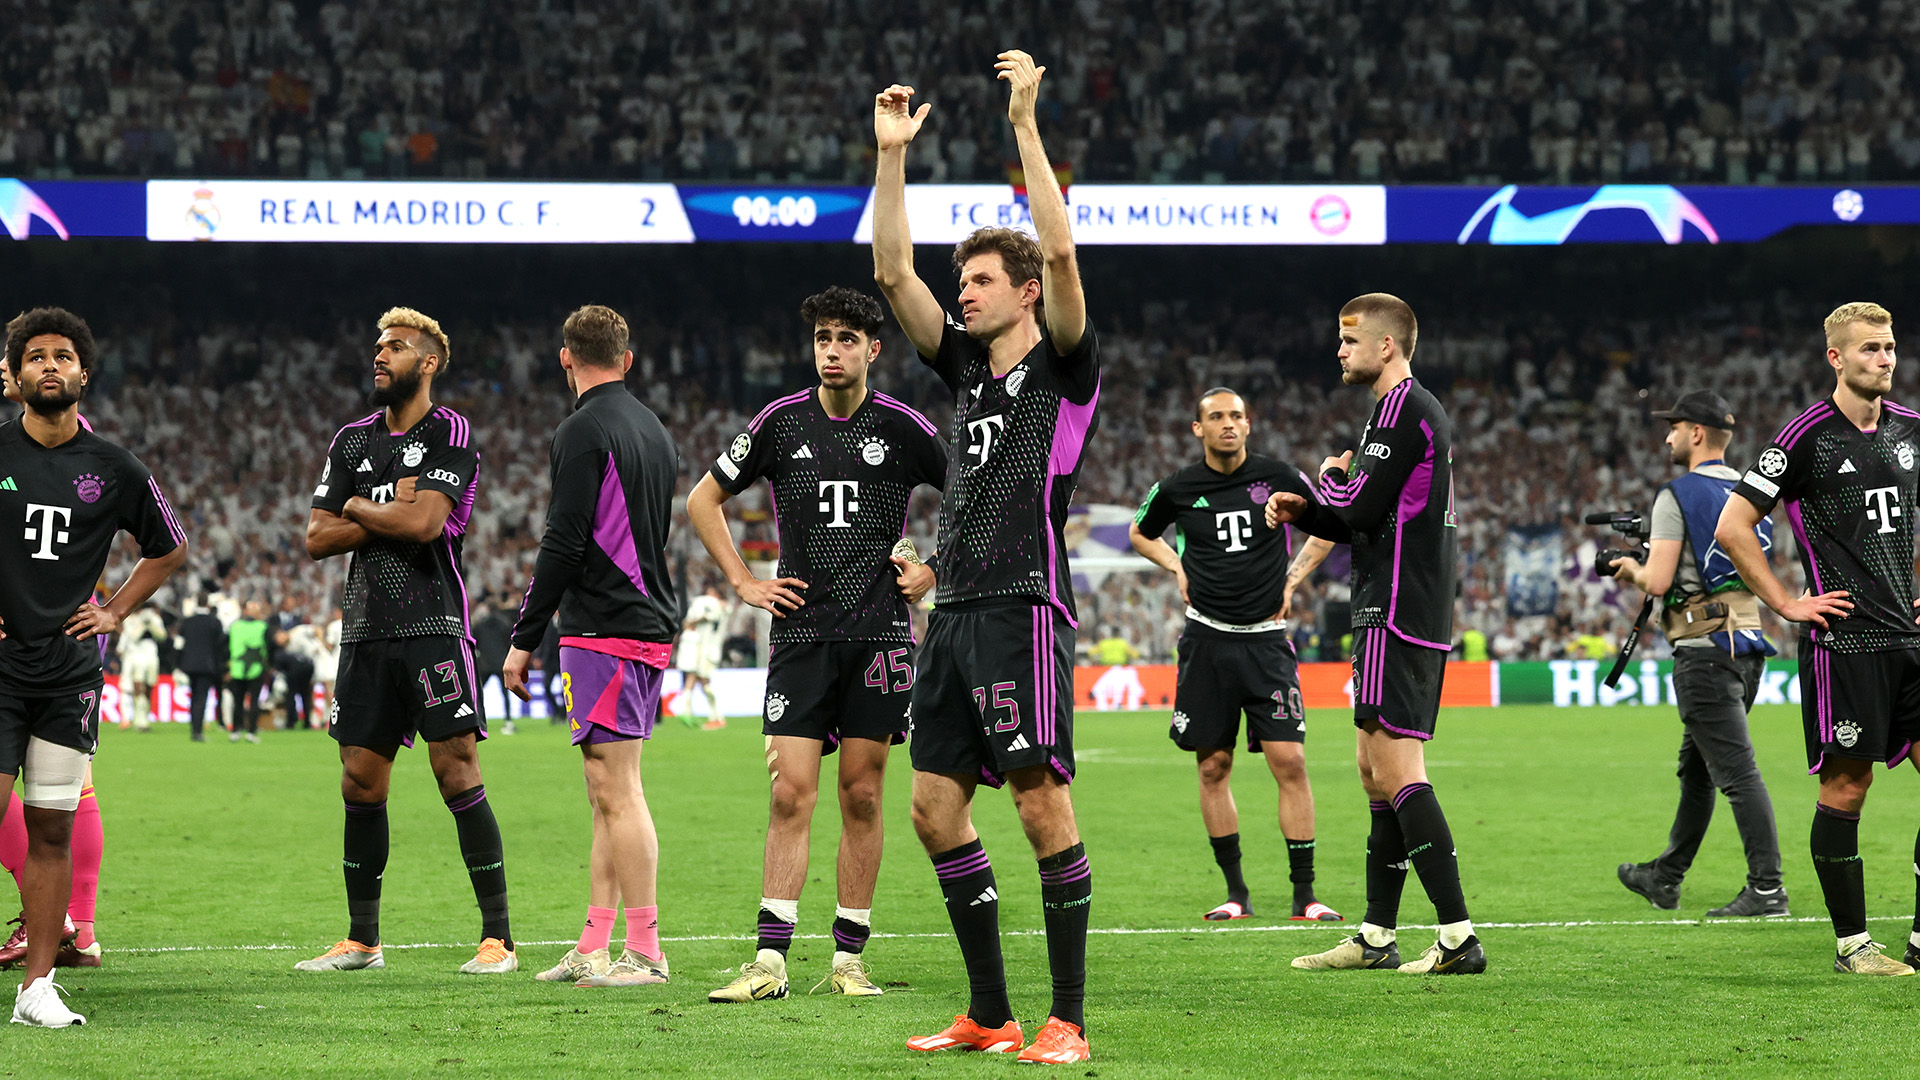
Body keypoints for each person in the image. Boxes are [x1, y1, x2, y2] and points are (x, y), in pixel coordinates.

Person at [873, 51, 1096, 1064]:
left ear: (1021, 294)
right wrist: (890, 160)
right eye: (959, 281)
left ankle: (1068, 1022)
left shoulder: (1063, 363)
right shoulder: (964, 370)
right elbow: (889, 274)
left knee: (1043, 804)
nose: (960, 295)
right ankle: (992, 1012)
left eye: (977, 282)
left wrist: (1024, 124)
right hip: (954, 610)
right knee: (932, 806)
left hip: (1023, 604)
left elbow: (1059, 253)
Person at [686, 286, 945, 1004]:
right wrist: (742, 579)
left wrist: (934, 567)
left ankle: (848, 960)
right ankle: (769, 963)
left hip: (879, 635)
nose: (832, 350)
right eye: (823, 339)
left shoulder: (902, 427)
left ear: (873, 349)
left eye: (846, 340)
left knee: (862, 795)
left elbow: (971, 495)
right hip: (801, 635)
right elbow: (702, 499)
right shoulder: (778, 422)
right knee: (789, 794)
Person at [1268, 292, 1485, 975]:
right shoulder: (1383, 418)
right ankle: (1376, 936)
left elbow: (1358, 505)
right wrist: (1310, 505)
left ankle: (1457, 938)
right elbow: (1352, 517)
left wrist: (1326, 481)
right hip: (1382, 608)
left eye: (1349, 338)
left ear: (1387, 345)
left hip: (1401, 610)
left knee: (1398, 770)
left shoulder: (1406, 411)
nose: (1340, 349)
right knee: (1372, 773)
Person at [301, 307, 513, 975]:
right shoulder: (351, 439)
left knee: (455, 770)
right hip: (365, 631)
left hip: (433, 626)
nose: (380, 355)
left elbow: (424, 525)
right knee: (360, 782)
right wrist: (382, 504)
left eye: (395, 347)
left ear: (427, 363)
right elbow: (315, 538)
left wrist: (358, 505)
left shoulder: (449, 429)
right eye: (378, 345)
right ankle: (363, 940)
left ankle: (498, 939)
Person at [1716, 302, 1920, 975]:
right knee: (1847, 790)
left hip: (1912, 638)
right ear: (1836, 357)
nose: (1883, 359)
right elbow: (1734, 524)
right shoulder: (1805, 438)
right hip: (1848, 643)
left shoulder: (1912, 431)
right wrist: (1784, 602)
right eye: (1869, 349)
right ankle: (1853, 946)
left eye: (1889, 348)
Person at [0, 307, 188, 1025]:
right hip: (2, 669)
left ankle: (37, 990)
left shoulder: (115, 467)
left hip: (69, 675)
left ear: (84, 372)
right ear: (15, 377)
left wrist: (114, 609)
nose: (51, 365)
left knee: (52, 831)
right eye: (37, 356)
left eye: (64, 355)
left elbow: (168, 547)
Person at [503, 305, 681, 988]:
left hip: (604, 626)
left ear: (565, 357)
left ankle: (646, 951)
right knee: (606, 789)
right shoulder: (653, 429)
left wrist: (524, 638)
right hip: (639, 622)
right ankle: (595, 943)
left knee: (617, 789)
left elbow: (564, 540)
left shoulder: (582, 430)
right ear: (627, 360)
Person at [1130, 387, 1341, 924]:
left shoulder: (1283, 478)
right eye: (1217, 417)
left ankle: (1306, 896)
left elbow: (1329, 529)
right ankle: (1235, 894)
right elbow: (1140, 531)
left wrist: (1294, 578)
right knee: (1213, 767)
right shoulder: (1177, 488)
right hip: (1206, 642)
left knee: (1289, 762)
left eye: (1237, 416)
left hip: (1267, 641)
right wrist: (1175, 565)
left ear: (1249, 425)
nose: (1229, 424)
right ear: (1198, 429)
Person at [1609, 390, 1785, 918]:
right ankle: (1666, 876)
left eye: (1675, 427)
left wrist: (1628, 568)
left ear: (1697, 434)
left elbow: (1659, 580)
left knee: (1736, 773)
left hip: (1704, 653)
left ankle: (1768, 887)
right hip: (1748, 646)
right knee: (1697, 771)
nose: (1667, 436)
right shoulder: (1751, 491)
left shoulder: (1677, 494)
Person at [676, 585, 730, 730]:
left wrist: (696, 619)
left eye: (711, 592)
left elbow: (688, 623)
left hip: (706, 649)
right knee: (698, 678)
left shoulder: (709, 606)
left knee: (701, 679)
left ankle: (716, 717)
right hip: (708, 648)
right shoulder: (723, 608)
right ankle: (691, 711)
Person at [175, 596, 226, 741]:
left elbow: (178, 645)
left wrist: (178, 665)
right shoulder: (214, 622)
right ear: (208, 605)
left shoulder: (187, 622)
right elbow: (220, 647)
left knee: (194, 697)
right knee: (201, 697)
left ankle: (194, 728)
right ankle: (197, 731)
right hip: (207, 665)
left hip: (189, 665)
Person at [114, 603, 164, 731]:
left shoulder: (155, 619)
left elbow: (162, 636)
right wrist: (142, 625)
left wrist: (151, 625)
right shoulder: (131, 620)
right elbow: (132, 637)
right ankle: (136, 720)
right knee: (136, 688)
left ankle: (144, 719)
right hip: (136, 657)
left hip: (151, 656)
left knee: (149, 688)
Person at [226, 600, 268, 742]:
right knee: (253, 701)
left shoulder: (235, 626)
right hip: (255, 668)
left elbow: (226, 645)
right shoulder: (262, 626)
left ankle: (236, 730)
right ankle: (251, 731)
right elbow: (268, 647)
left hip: (238, 668)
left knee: (238, 700)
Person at [471, 602, 515, 735]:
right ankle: (508, 720)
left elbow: (474, 642)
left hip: (485, 664)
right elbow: (510, 642)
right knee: (505, 693)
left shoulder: (480, 624)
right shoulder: (505, 623)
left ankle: (476, 719)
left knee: (478, 692)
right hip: (501, 662)